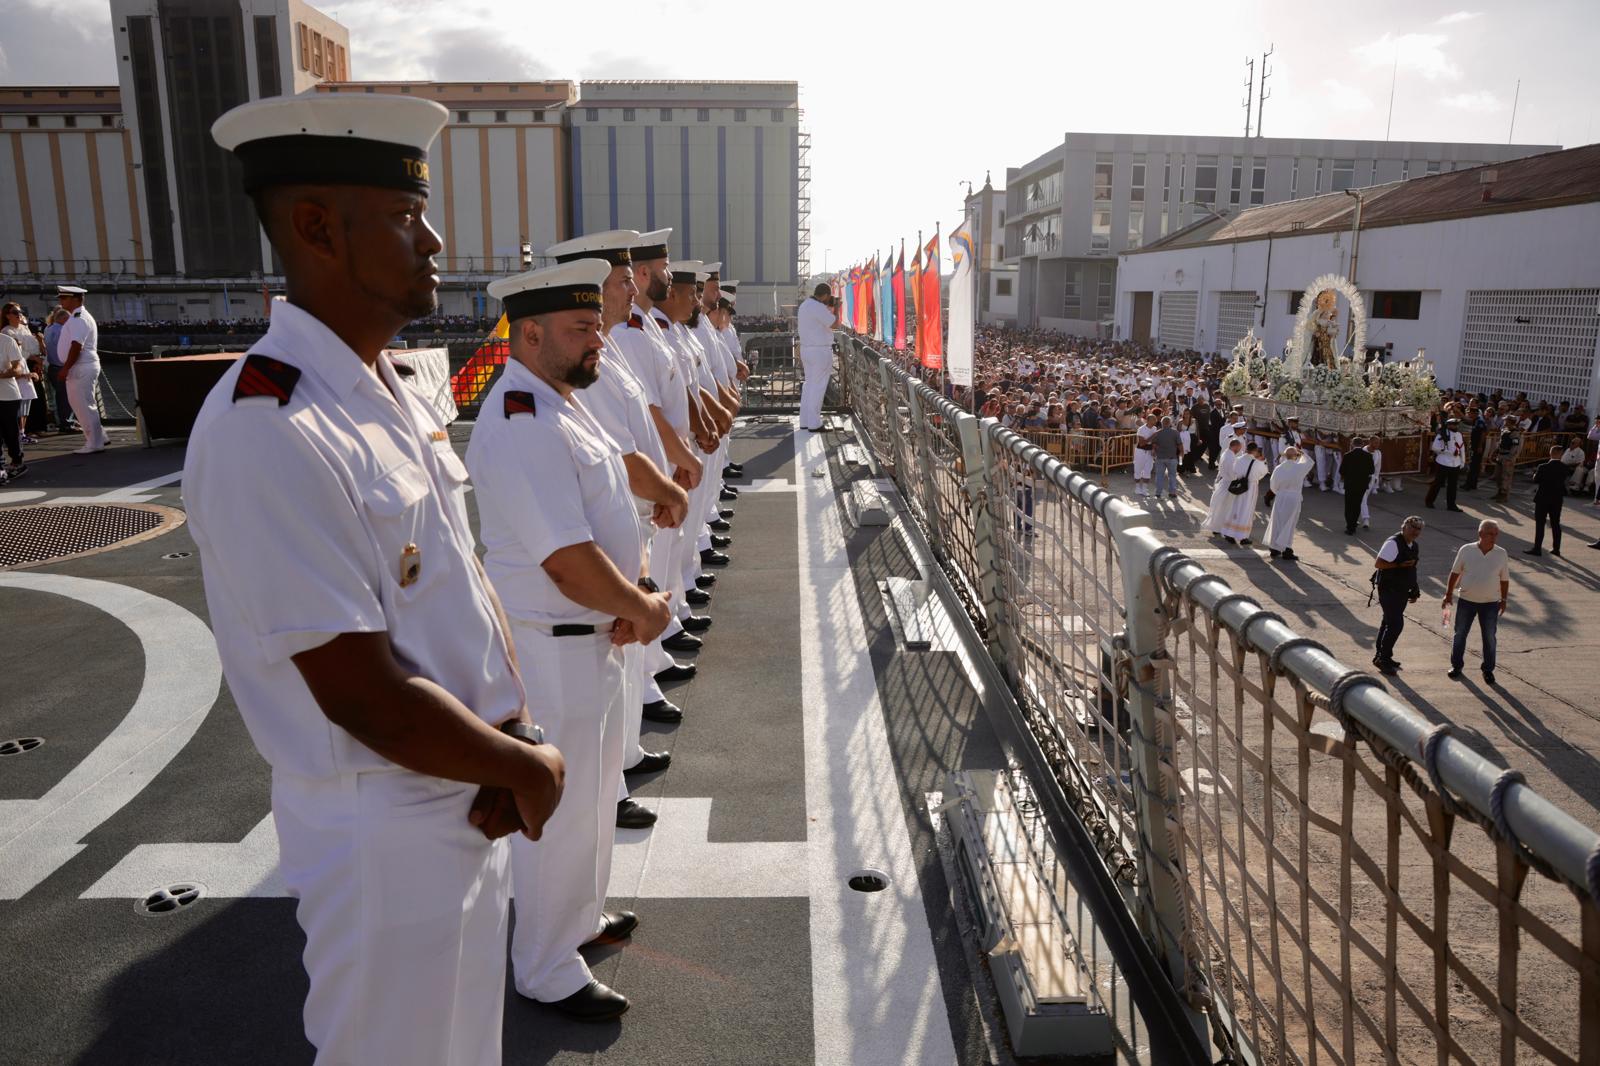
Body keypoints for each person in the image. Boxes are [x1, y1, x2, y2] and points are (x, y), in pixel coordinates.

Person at [191, 92, 566, 1066]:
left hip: (459, 786)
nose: (435, 238)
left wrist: (505, 737)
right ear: (316, 226)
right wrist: (524, 763)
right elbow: (359, 688)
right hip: (383, 824)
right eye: (405, 216)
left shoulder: (384, 388)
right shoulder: (267, 423)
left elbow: (455, 596)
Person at [467, 258, 675, 1023]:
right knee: (553, 816)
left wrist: (637, 591)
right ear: (528, 335)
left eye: (596, 325)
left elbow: (612, 509)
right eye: (582, 328)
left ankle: (579, 921)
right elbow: (565, 556)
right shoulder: (521, 417)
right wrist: (643, 610)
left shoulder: (562, 401)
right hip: (553, 643)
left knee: (591, 797)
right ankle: (546, 966)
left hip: (594, 633)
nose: (598, 339)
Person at [1444, 519, 1509, 686]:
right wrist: (1448, 594)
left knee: (1489, 637)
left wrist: (1504, 599)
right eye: (1489, 534)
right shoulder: (1466, 550)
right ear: (1480, 534)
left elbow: (1504, 579)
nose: (1493, 537)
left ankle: (1488, 670)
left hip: (1490, 603)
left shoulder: (1501, 553)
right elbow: (1454, 573)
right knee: (1460, 635)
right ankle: (1456, 666)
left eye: (1496, 534)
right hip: (1467, 600)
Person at [55, 285, 108, 453]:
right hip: (82, 366)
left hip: (80, 366)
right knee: (85, 404)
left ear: (75, 299)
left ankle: (94, 443)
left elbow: (77, 345)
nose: (61, 301)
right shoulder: (77, 317)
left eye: (64, 298)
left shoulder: (78, 318)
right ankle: (100, 437)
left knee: (83, 405)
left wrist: (65, 368)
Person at [1372, 516, 1424, 674]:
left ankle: (1381, 656)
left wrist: (1414, 589)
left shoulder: (1413, 545)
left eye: (1418, 528)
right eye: (1412, 527)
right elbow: (1379, 564)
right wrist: (1398, 565)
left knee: (1387, 623)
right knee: (1395, 625)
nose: (1415, 531)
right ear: (1404, 527)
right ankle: (1383, 659)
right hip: (1388, 589)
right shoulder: (1393, 543)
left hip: (1401, 590)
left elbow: (1411, 569)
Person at [2, 303, 45, 442]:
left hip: (28, 364)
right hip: (19, 365)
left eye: (20, 312)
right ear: (7, 315)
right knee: (19, 402)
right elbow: (16, 352)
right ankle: (20, 433)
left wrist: (38, 358)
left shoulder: (24, 329)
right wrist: (32, 357)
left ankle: (27, 431)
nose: (19, 314)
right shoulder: (7, 332)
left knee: (30, 399)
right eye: (15, 312)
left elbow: (32, 347)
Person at [796, 282, 836, 432]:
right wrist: (836, 308)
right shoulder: (818, 307)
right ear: (825, 295)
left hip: (807, 350)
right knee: (817, 387)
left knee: (809, 385)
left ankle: (805, 420)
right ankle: (814, 423)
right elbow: (834, 323)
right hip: (819, 351)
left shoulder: (805, 305)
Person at [1266, 446, 1314, 560]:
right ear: (1296, 456)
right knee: (1289, 524)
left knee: (1277, 522)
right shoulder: (1299, 468)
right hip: (1293, 498)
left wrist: (1280, 492)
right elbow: (1310, 462)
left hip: (1281, 496)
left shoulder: (1279, 468)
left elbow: (1273, 486)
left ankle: (1274, 548)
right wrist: (1302, 454)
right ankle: (1286, 550)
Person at [1526, 445, 1568, 556]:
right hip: (1557, 499)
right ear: (1561, 454)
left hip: (1543, 498)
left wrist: (1535, 474)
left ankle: (1537, 548)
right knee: (1555, 523)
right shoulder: (1564, 467)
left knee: (1540, 523)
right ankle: (1556, 548)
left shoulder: (1543, 467)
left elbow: (1536, 480)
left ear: (1551, 453)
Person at [1205, 437, 1245, 538]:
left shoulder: (1226, 453)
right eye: (1238, 448)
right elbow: (1232, 474)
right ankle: (1219, 527)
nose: (1239, 450)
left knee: (1219, 506)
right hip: (1228, 484)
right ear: (1234, 446)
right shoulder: (1230, 457)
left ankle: (1217, 527)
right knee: (1224, 507)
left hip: (1224, 483)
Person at [0, 327, 27, 477]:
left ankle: (17, 461)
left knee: (10, 432)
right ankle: (0, 467)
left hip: (8, 396)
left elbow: (18, 368)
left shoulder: (7, 341)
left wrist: (5, 374)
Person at [1424, 417, 1465, 511]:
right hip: (1443, 461)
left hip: (1455, 463)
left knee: (1453, 485)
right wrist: (1444, 451)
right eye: (1453, 424)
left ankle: (1451, 505)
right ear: (1449, 425)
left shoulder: (1459, 434)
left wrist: (1463, 460)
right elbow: (1434, 447)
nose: (1455, 426)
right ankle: (1429, 501)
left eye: (1456, 424)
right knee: (1437, 483)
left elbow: (1462, 447)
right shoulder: (1442, 434)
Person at [43, 307, 74, 432]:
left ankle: (64, 422)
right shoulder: (62, 330)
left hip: (52, 367)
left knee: (60, 397)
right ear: (63, 319)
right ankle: (67, 424)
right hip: (61, 367)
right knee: (66, 398)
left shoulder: (48, 328)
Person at [1339, 437, 1376, 535]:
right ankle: (1354, 522)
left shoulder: (1347, 455)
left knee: (1349, 505)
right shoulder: (1368, 456)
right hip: (1362, 484)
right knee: (1357, 504)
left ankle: (1350, 526)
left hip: (1350, 484)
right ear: (1362, 444)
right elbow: (1372, 470)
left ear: (1352, 444)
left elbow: (1341, 471)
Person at [1150, 414, 1182, 499]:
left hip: (1160, 457)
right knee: (1172, 476)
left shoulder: (1157, 433)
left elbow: (1154, 444)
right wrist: (1182, 454)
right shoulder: (1175, 432)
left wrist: (1154, 451)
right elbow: (1180, 445)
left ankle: (1158, 493)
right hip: (1172, 458)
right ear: (1170, 423)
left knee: (1159, 476)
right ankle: (1172, 493)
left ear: (1161, 423)